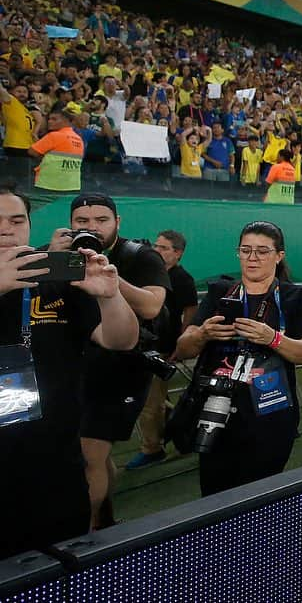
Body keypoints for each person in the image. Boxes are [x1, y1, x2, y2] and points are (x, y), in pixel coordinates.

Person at [0, 185, 139, 559]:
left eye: (16, 220)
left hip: (55, 460)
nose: (6, 229)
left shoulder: (58, 276)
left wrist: (110, 298)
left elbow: (121, 340)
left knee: (62, 564)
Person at [45, 194, 171, 529]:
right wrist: (53, 259)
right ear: (70, 224)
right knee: (90, 455)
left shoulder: (140, 256)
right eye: (82, 222)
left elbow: (151, 307)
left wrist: (108, 277)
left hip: (122, 368)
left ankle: (82, 533)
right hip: (73, 368)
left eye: (101, 220)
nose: (92, 228)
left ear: (118, 222)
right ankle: (105, 519)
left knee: (89, 455)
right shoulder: (57, 253)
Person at [172, 221, 302, 495]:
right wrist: (203, 333)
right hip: (215, 410)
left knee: (260, 496)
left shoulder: (294, 296)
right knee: (214, 494)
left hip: (270, 412)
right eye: (246, 250)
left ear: (279, 256)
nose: (253, 258)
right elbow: (182, 349)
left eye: (262, 251)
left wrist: (273, 338)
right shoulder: (220, 292)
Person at [127, 230, 199, 470]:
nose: (156, 250)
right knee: (153, 399)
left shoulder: (182, 279)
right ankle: (172, 431)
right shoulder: (147, 273)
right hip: (139, 343)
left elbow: (190, 311)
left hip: (163, 347)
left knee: (149, 401)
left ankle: (152, 449)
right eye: (155, 246)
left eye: (163, 247)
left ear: (177, 253)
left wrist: (182, 341)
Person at [28, 103, 84, 192]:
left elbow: (32, 151)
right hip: (72, 185)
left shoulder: (54, 136)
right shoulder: (78, 138)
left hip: (49, 185)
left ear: (66, 121)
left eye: (54, 119)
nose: (50, 121)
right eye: (49, 119)